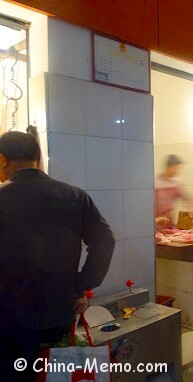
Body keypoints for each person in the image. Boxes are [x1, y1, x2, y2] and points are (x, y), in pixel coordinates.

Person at [0, 132, 115, 382]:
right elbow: (105, 239)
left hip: (9, 321)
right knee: (57, 376)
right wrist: (81, 285)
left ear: (2, 160)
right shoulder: (74, 196)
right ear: (38, 160)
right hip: (59, 313)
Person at [155, 154, 192, 226]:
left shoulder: (176, 183)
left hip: (168, 219)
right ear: (168, 167)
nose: (177, 171)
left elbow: (185, 197)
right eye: (176, 168)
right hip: (156, 221)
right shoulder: (155, 182)